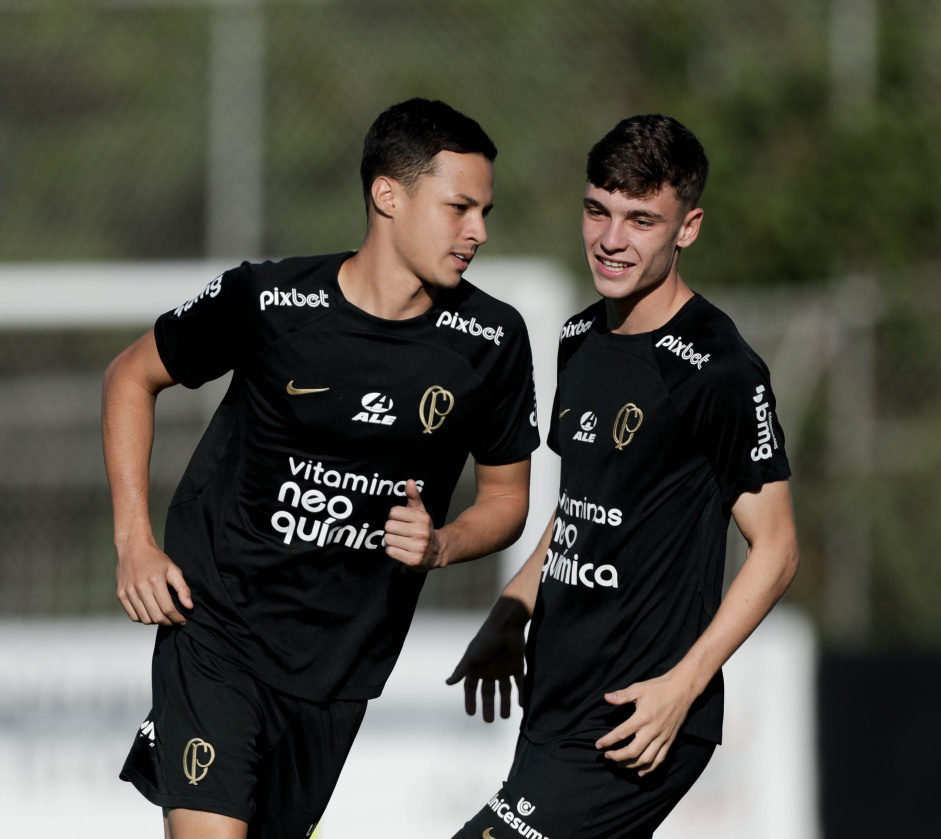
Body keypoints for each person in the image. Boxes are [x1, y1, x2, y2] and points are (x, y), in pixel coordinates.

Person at [102, 98, 540, 839]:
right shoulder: (270, 300)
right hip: (216, 627)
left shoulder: (490, 339)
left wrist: (440, 544)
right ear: (387, 195)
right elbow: (127, 377)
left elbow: (506, 498)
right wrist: (134, 543)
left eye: (484, 211)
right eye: (460, 207)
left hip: (339, 666)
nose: (479, 232)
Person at [447, 114, 799, 839]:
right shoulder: (579, 339)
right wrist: (513, 608)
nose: (611, 239)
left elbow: (777, 548)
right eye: (597, 210)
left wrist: (682, 686)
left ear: (687, 227)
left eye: (641, 219)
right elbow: (586, 503)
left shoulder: (719, 368)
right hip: (554, 701)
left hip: (636, 718)